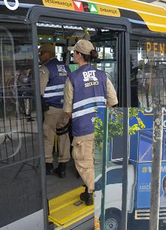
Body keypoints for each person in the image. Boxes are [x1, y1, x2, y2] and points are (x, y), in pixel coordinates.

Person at [63, 39, 118, 206]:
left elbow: (67, 111)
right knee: (99, 161)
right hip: (101, 127)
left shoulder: (72, 78)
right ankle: (92, 192)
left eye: (74, 52)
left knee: (84, 163)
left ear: (79, 55)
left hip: (83, 129)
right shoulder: (102, 76)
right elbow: (113, 101)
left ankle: (98, 192)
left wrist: (80, 117)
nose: (73, 54)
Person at [39, 43, 71, 178]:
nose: (40, 57)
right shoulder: (66, 68)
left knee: (48, 135)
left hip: (51, 109)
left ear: (48, 54)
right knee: (64, 135)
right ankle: (62, 167)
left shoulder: (45, 69)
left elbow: (40, 90)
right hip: (65, 109)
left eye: (41, 54)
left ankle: (49, 166)